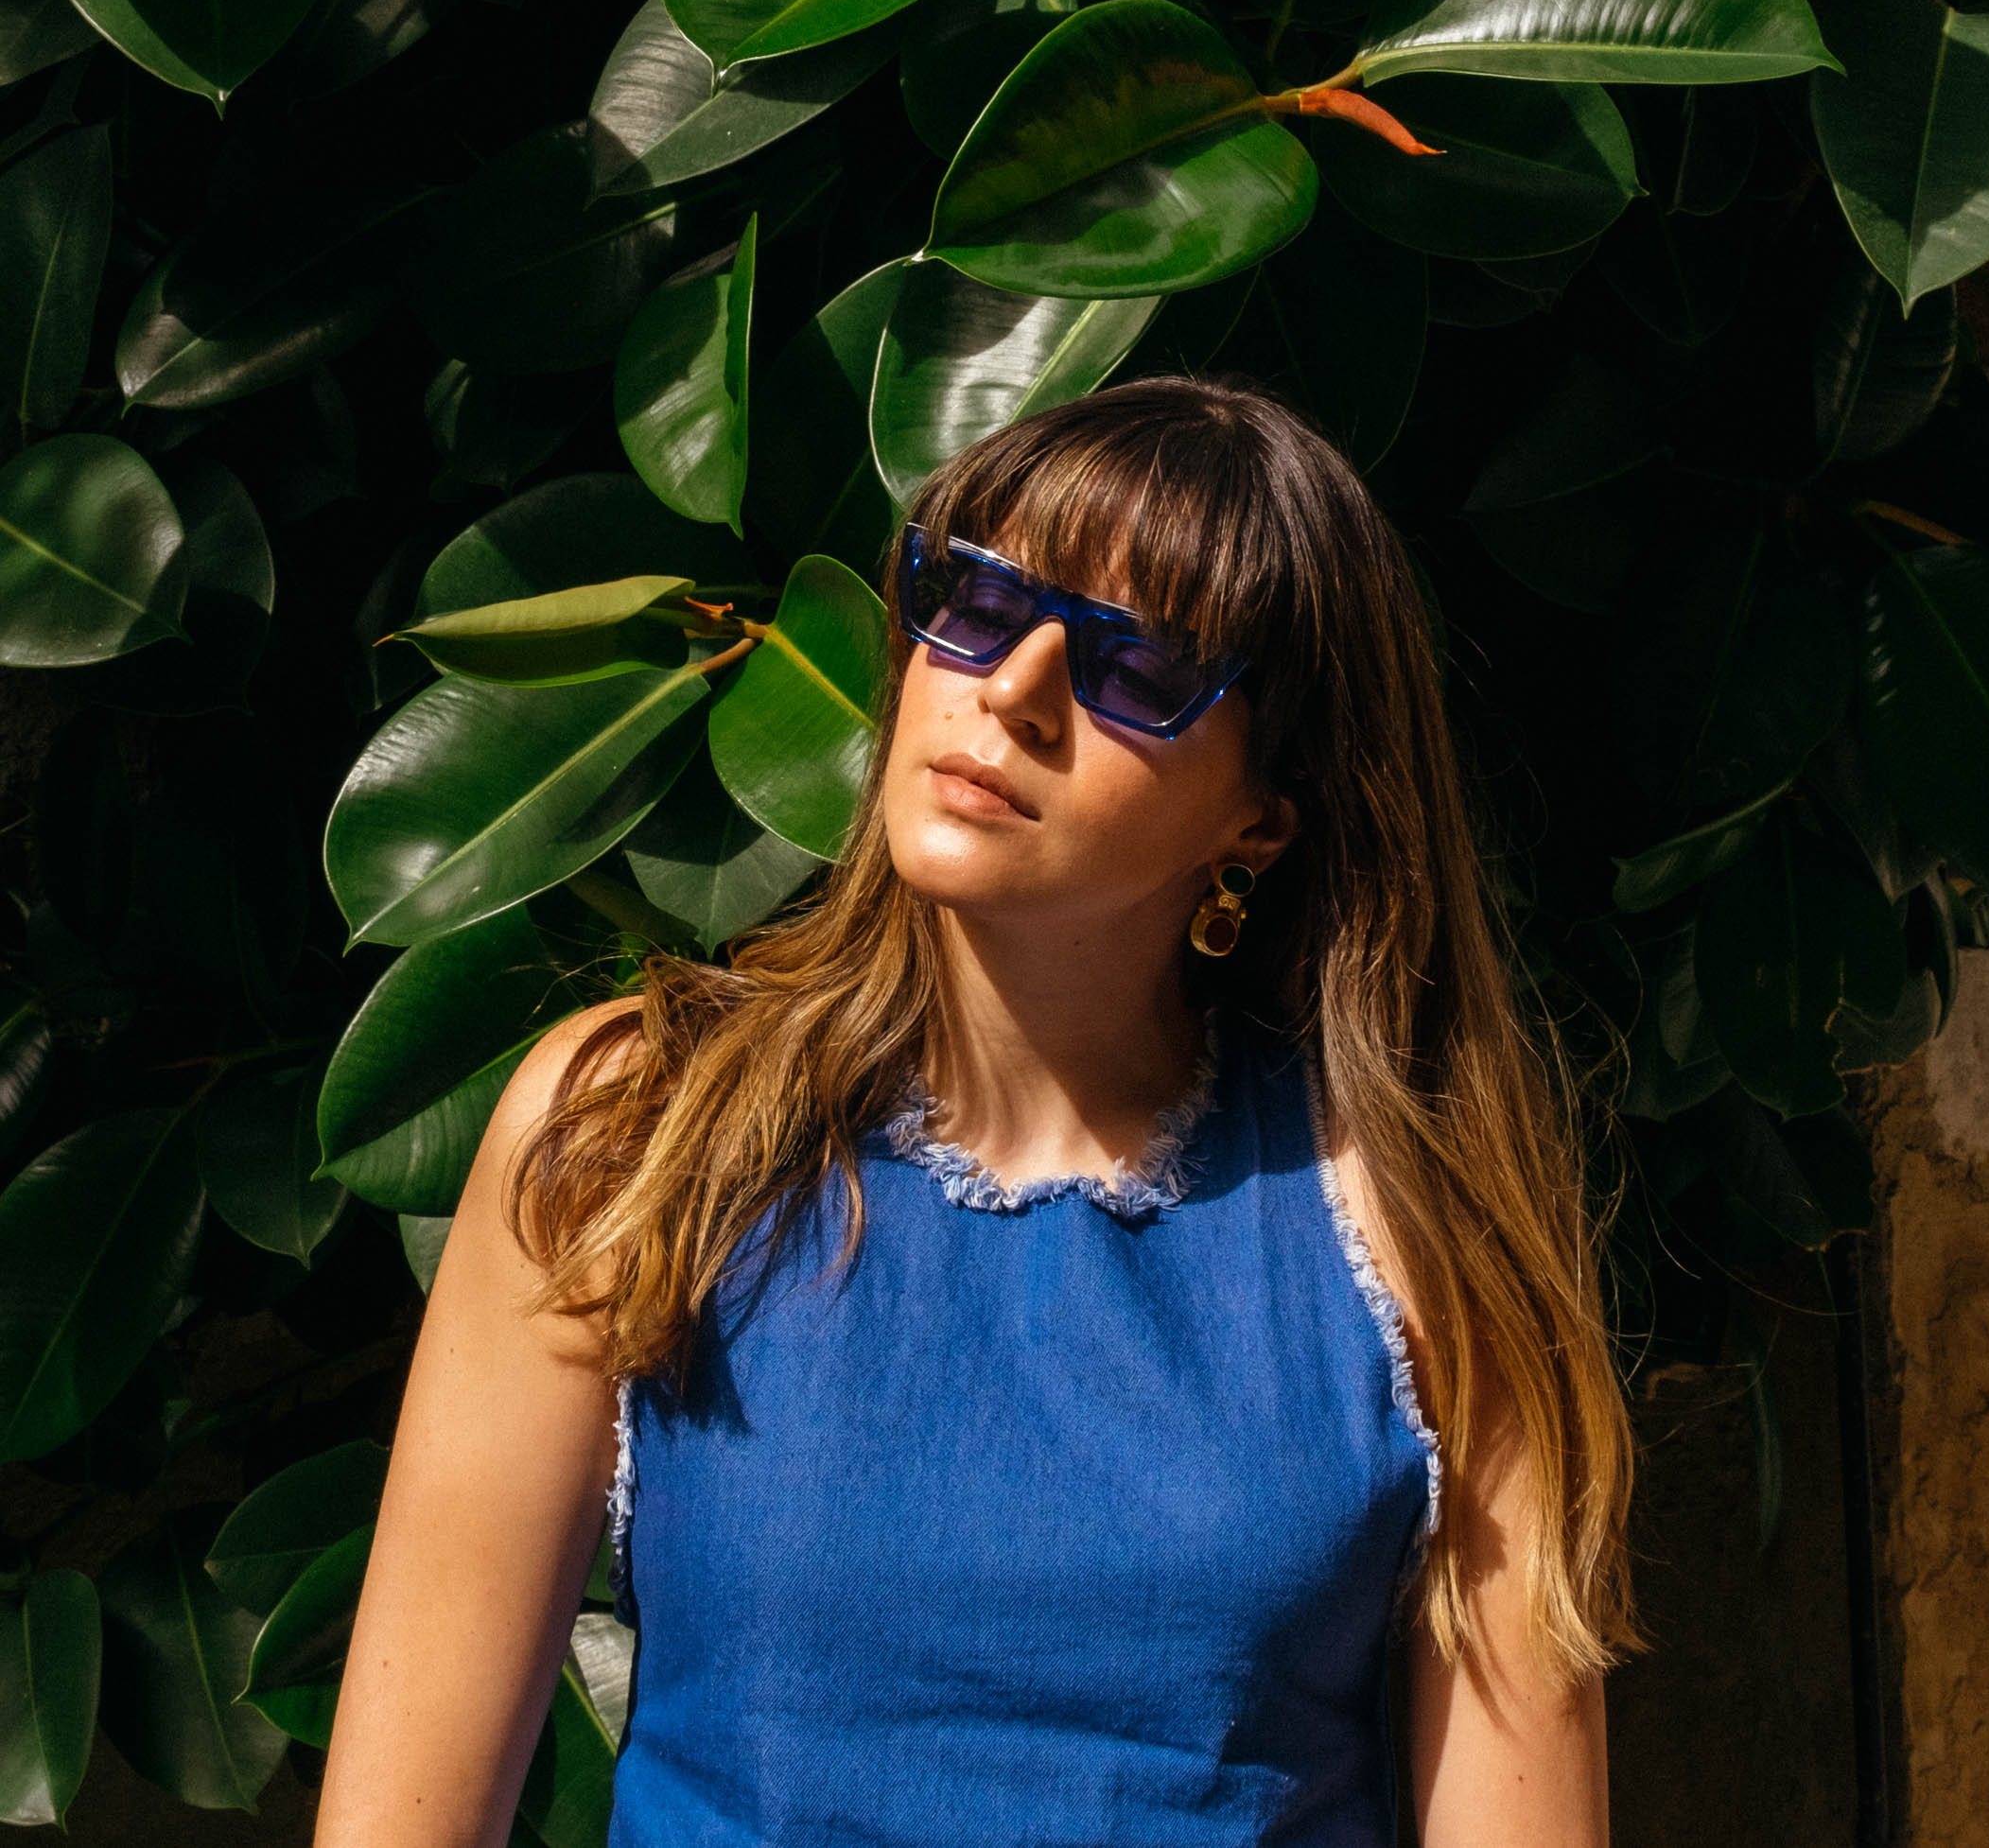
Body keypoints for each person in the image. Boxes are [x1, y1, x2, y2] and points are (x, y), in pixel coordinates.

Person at [317, 377, 1633, 1847]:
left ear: (1260, 816)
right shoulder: (633, 1130)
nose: (1012, 687)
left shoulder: (1411, 1219)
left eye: (1137, 668)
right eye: (979, 600)